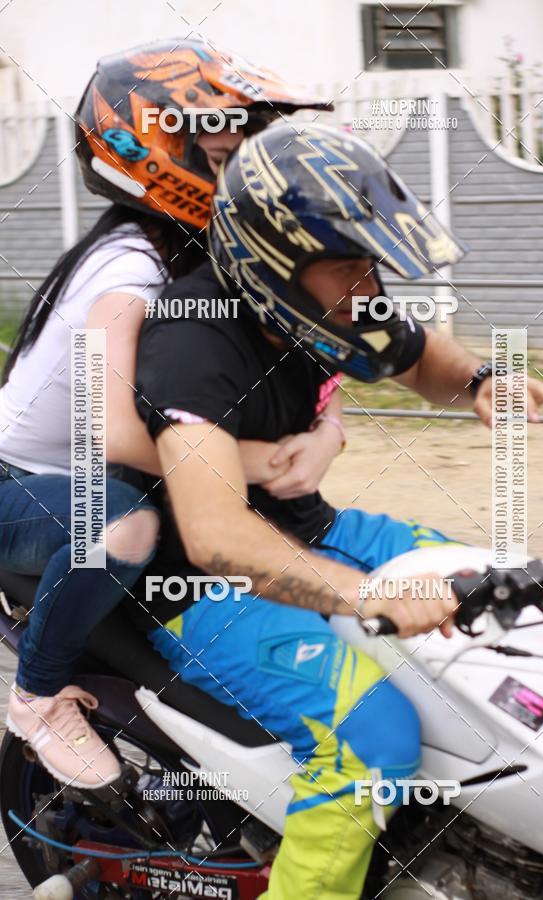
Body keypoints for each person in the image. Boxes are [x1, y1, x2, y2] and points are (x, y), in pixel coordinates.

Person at [126, 123, 543, 899]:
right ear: (273, 259)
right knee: (372, 740)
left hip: (315, 531)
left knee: (521, 605)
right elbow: (215, 535)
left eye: (370, 263)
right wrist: (369, 597)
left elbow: (417, 354)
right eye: (349, 265)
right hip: (198, 591)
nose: (368, 284)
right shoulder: (193, 340)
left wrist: (482, 381)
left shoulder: (324, 301)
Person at [0, 38, 341, 789]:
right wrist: (255, 460)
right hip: (25, 484)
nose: (250, 162)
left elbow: (314, 363)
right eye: (226, 148)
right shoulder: (130, 269)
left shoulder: (211, 258)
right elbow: (114, 434)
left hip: (110, 474)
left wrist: (326, 435)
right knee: (123, 524)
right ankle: (38, 695)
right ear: (158, 152)